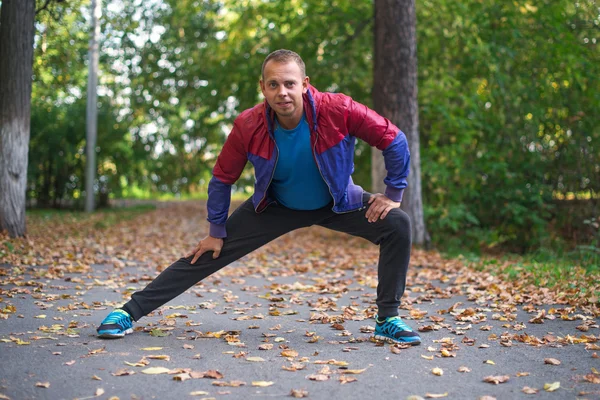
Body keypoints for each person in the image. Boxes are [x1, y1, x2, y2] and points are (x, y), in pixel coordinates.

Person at [96, 49, 420, 345]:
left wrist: (393, 194)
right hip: (275, 206)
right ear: (263, 88)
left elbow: (393, 139)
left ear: (305, 84)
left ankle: (387, 318)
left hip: (337, 202)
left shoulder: (339, 110)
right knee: (208, 252)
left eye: (290, 83)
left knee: (397, 225)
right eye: (274, 84)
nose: (283, 92)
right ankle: (128, 312)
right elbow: (222, 178)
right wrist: (215, 231)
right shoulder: (248, 124)